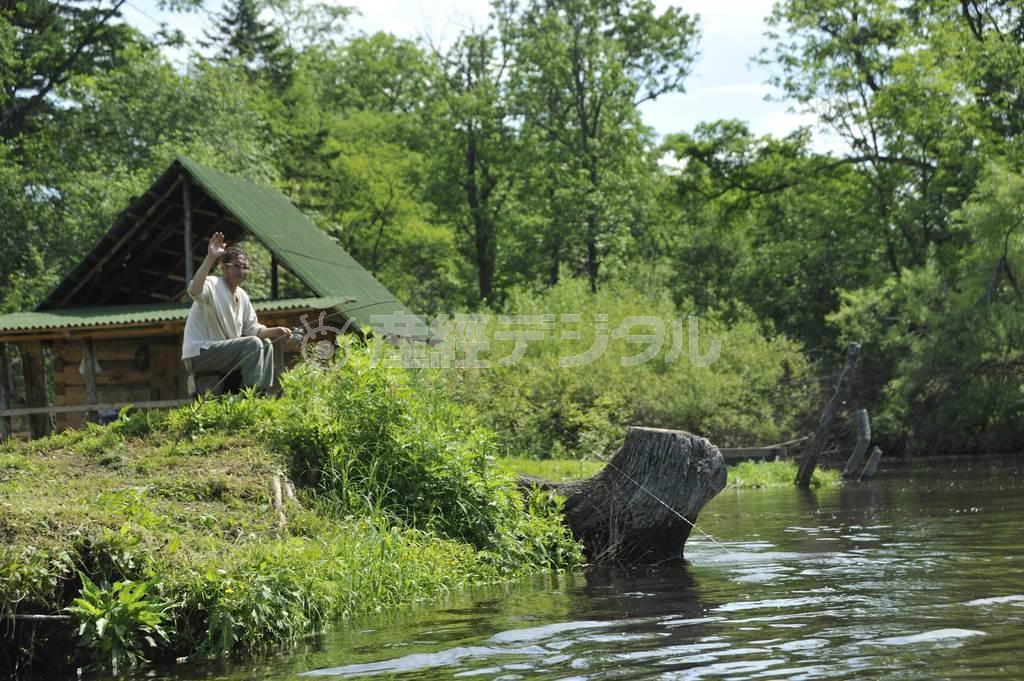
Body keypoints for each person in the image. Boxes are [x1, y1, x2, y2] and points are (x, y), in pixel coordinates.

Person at [181, 232, 290, 393]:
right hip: (199, 354)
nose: (242, 271)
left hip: (224, 353)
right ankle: (249, 395)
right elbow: (194, 291)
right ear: (224, 267)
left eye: (245, 267)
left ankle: (261, 393)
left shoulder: (242, 296)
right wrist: (210, 257)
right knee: (253, 343)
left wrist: (277, 331)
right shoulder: (213, 284)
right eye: (237, 266)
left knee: (266, 344)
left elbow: (252, 329)